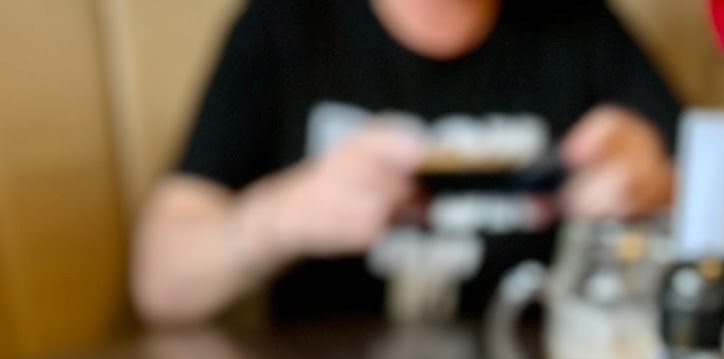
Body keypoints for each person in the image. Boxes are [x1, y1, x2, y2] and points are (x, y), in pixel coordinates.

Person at [130, 0, 679, 325]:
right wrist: (284, 216)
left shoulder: (579, 23)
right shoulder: (286, 22)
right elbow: (160, 281)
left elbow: (702, 205)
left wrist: (654, 192)